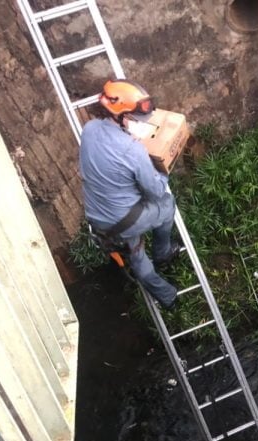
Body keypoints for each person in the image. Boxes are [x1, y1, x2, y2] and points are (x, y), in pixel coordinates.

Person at [79, 78, 180, 309]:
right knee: (167, 204)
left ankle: (168, 297)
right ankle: (163, 253)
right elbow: (156, 192)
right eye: (134, 117)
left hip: (99, 219)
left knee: (136, 252)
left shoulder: (89, 129)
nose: (139, 122)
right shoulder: (133, 149)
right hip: (127, 219)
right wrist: (162, 171)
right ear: (121, 115)